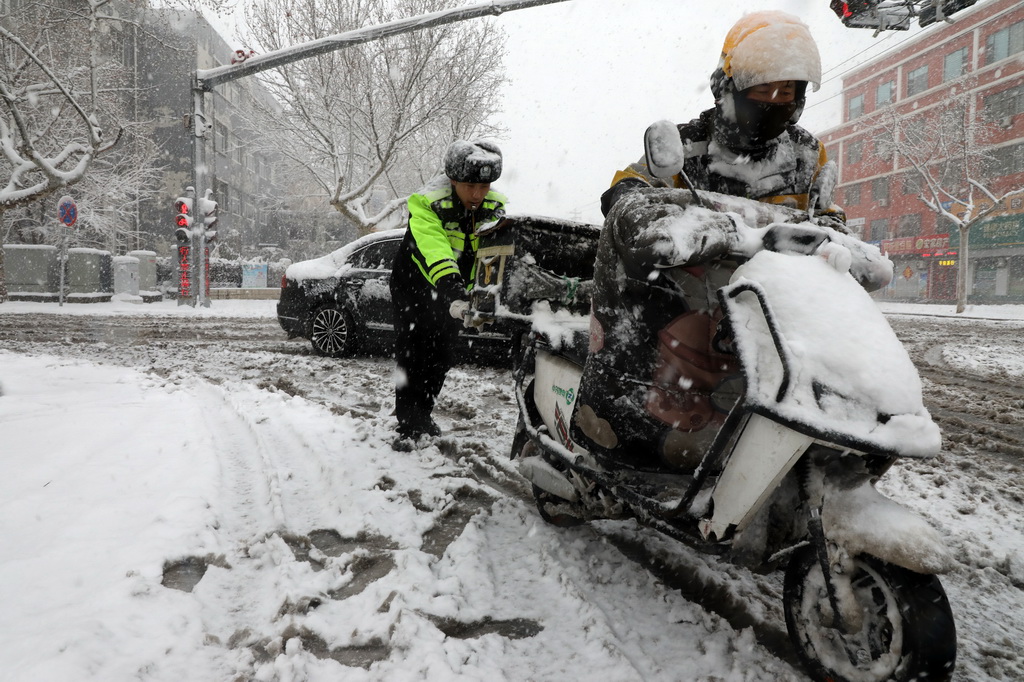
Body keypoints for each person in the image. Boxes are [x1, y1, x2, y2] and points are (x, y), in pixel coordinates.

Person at [571, 11, 893, 471]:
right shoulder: (685, 145)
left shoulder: (806, 153)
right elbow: (629, 188)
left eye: (788, 91)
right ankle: (613, 418)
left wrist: (839, 237)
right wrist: (639, 204)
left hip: (772, 303)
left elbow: (824, 217)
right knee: (646, 340)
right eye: (763, 89)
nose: (775, 100)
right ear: (728, 87)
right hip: (688, 295)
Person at [389, 139, 507, 445]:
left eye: (485, 186)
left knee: (442, 355)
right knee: (414, 351)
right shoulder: (427, 204)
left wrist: (485, 296)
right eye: (470, 185)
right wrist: (453, 291)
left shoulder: (494, 208)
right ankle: (408, 421)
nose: (478, 194)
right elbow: (436, 251)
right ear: (453, 180)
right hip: (413, 286)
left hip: (453, 291)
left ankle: (424, 412)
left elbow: (492, 256)